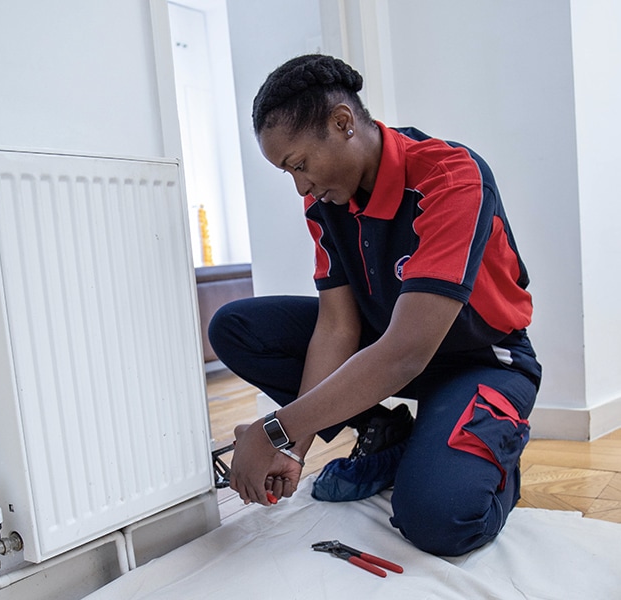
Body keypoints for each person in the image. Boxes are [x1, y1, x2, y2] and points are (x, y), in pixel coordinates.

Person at [208, 54, 542, 557]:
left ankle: (493, 451)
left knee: (440, 521)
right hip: (391, 352)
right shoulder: (324, 201)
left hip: (481, 360)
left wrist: (275, 428)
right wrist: (292, 451)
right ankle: (386, 435)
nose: (300, 185)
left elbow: (406, 352)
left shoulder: (451, 177)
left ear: (342, 123)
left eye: (300, 164)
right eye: (287, 172)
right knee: (238, 326)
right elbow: (337, 329)